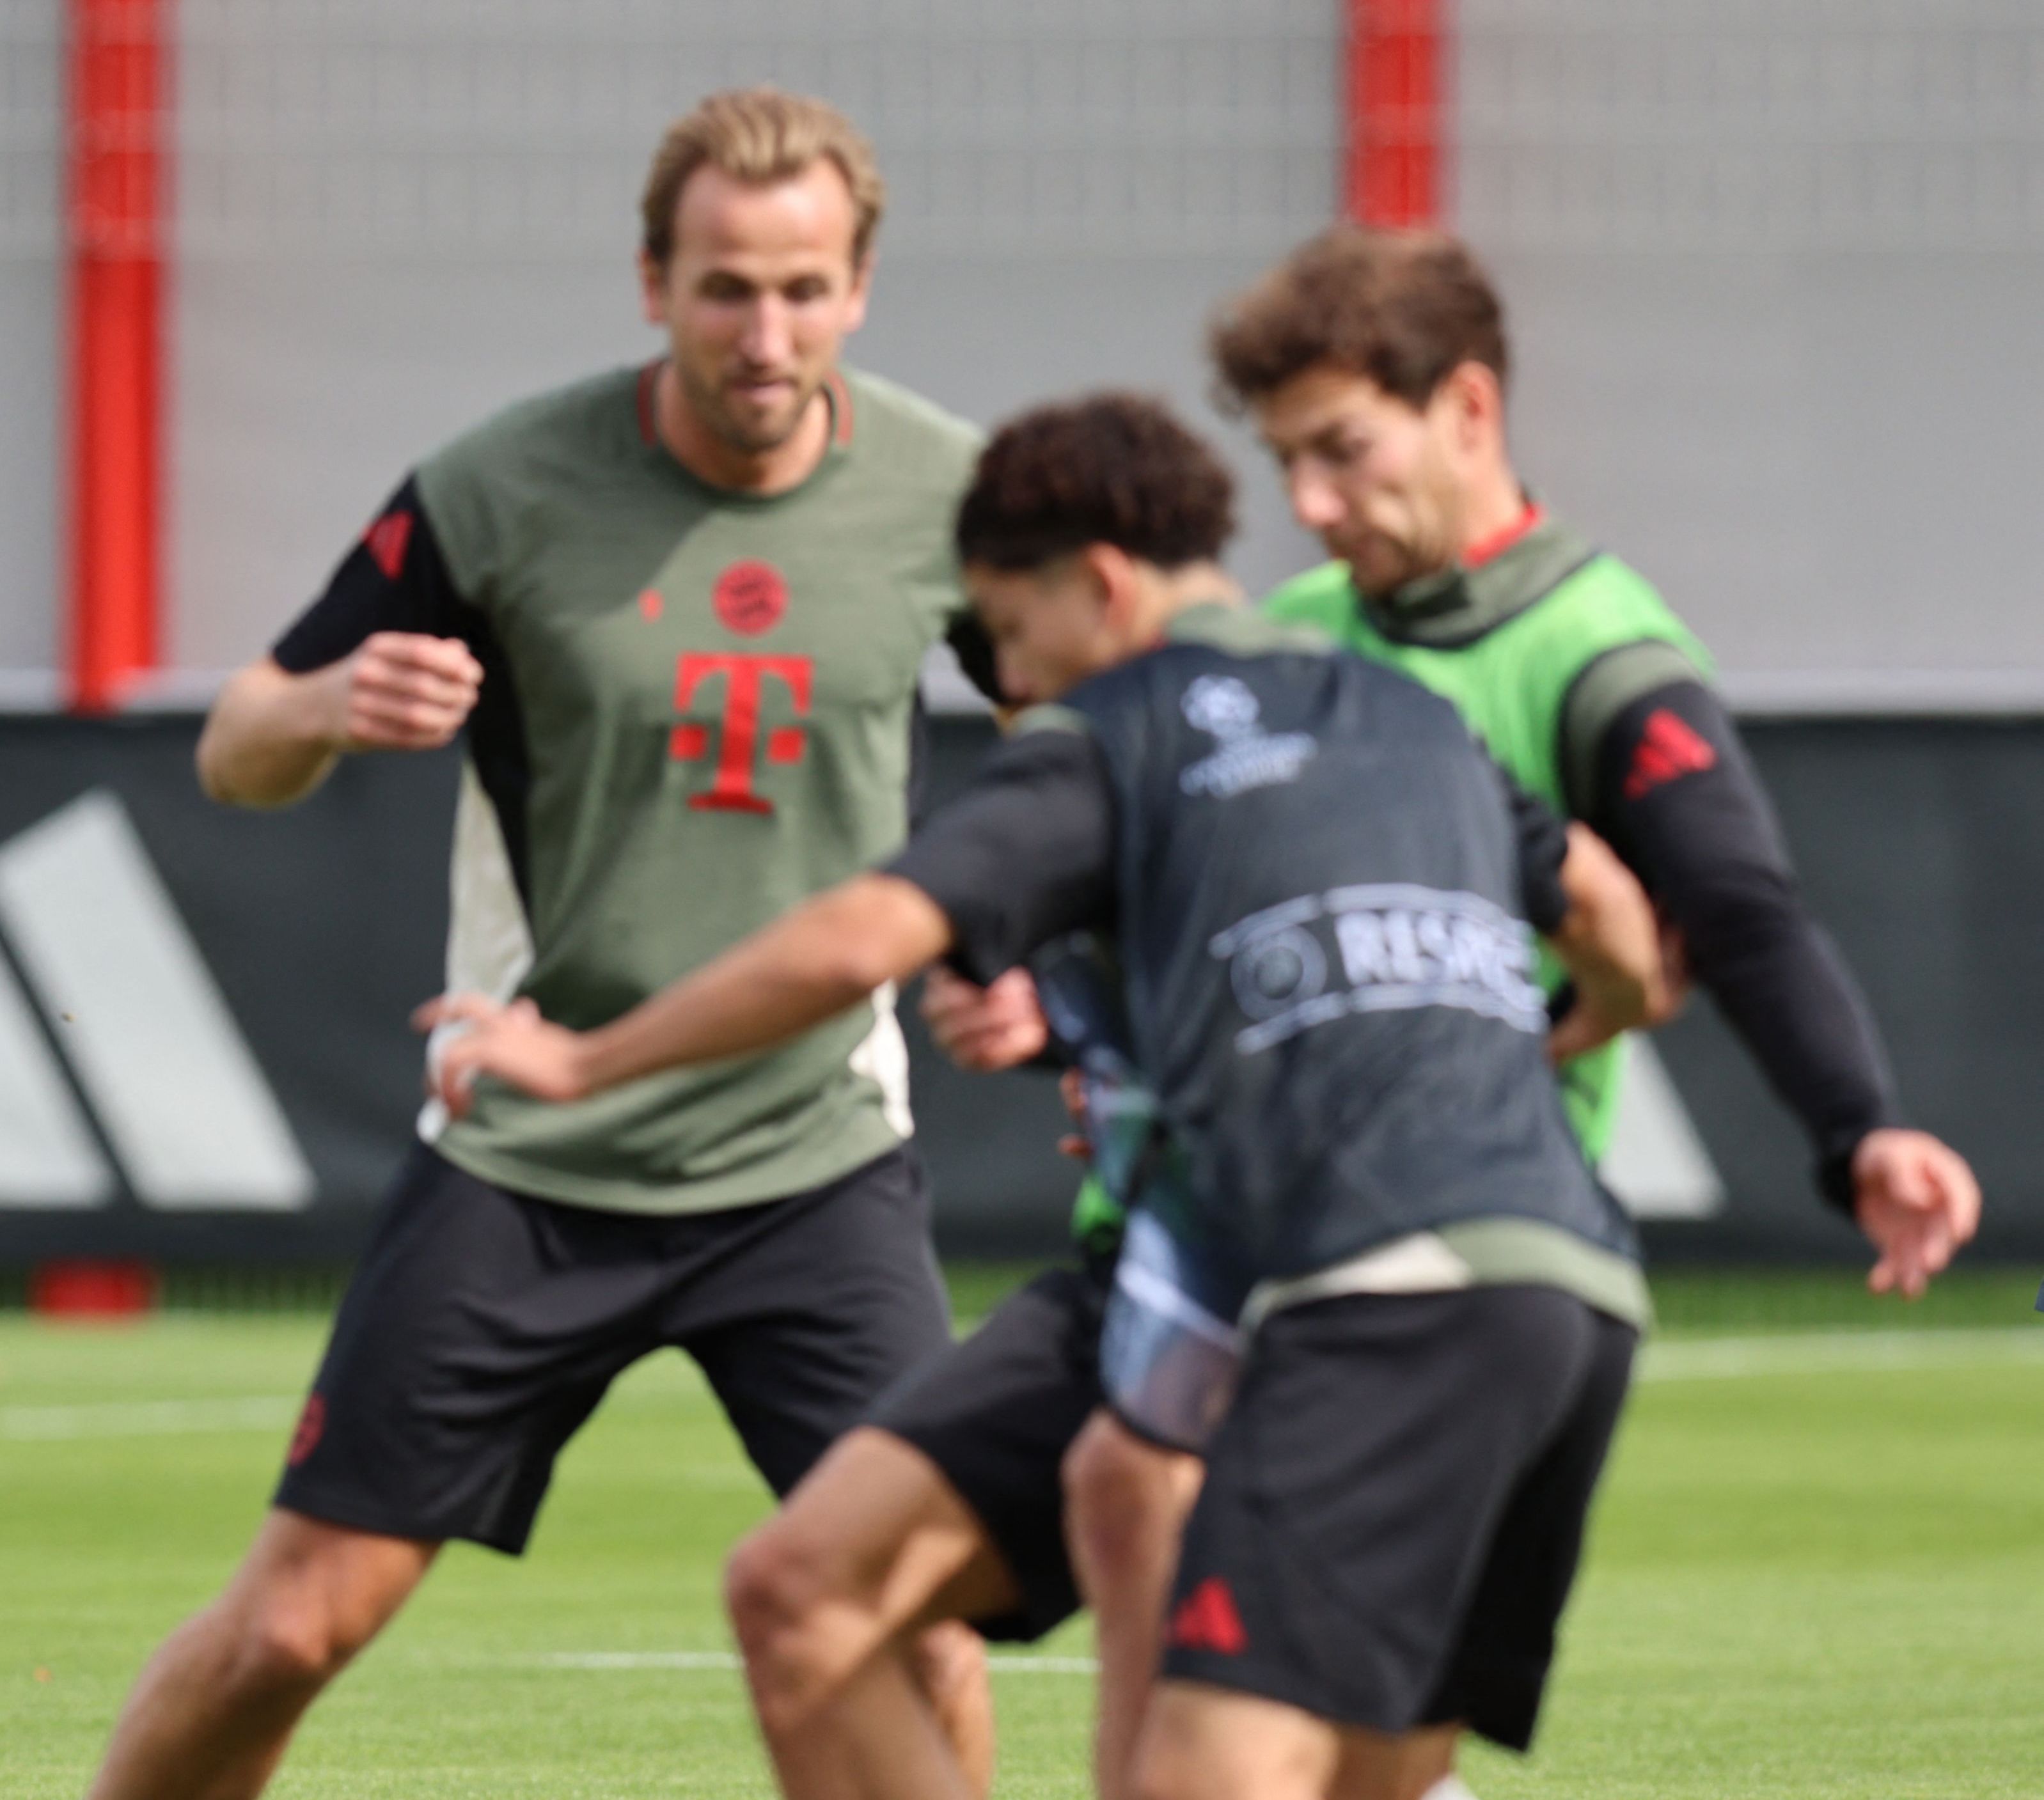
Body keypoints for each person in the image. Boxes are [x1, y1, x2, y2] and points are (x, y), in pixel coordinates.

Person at [427, 389, 1678, 1800]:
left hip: (1375, 1297)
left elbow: (854, 942)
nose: (1011, 681)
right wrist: (1573, 1030)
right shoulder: (1404, 713)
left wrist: (585, 1058)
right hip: (1516, 1280)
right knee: (805, 1585)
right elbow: (1620, 928)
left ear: (1098, 585)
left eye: (1011, 637)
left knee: (1218, 1780)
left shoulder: (1112, 728)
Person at [951, 225, 1995, 1800]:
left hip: (1406, 1276)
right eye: (1287, 461)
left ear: (1470, 410)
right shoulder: (1287, 637)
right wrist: (1053, 1004)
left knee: (1233, 1658)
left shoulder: (1596, 653)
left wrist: (1860, 1127)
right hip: (1202, 1243)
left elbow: (1736, 910)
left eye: (1344, 453)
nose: (1309, 503)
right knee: (1034, 1549)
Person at [89, 89, 1000, 1800]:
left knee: (922, 1626)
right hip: (529, 1156)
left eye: (803, 288)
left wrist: (1021, 957)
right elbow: (235, 746)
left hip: (814, 1159)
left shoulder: (948, 496)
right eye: (725, 286)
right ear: (651, 279)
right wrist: (332, 706)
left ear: (860, 287)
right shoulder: (499, 489)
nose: (764, 330)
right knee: (294, 1626)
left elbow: (1081, 750)